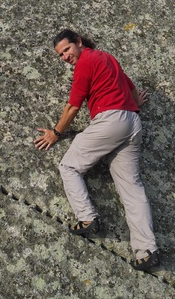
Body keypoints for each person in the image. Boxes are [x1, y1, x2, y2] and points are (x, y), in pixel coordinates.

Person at [34, 28, 160, 273]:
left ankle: (88, 218)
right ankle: (148, 251)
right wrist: (136, 102)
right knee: (132, 189)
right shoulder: (107, 58)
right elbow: (129, 86)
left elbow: (73, 107)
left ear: (79, 42)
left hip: (110, 120)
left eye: (67, 50)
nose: (65, 57)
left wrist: (55, 133)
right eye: (60, 55)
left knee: (69, 166)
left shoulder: (86, 61)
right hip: (133, 122)